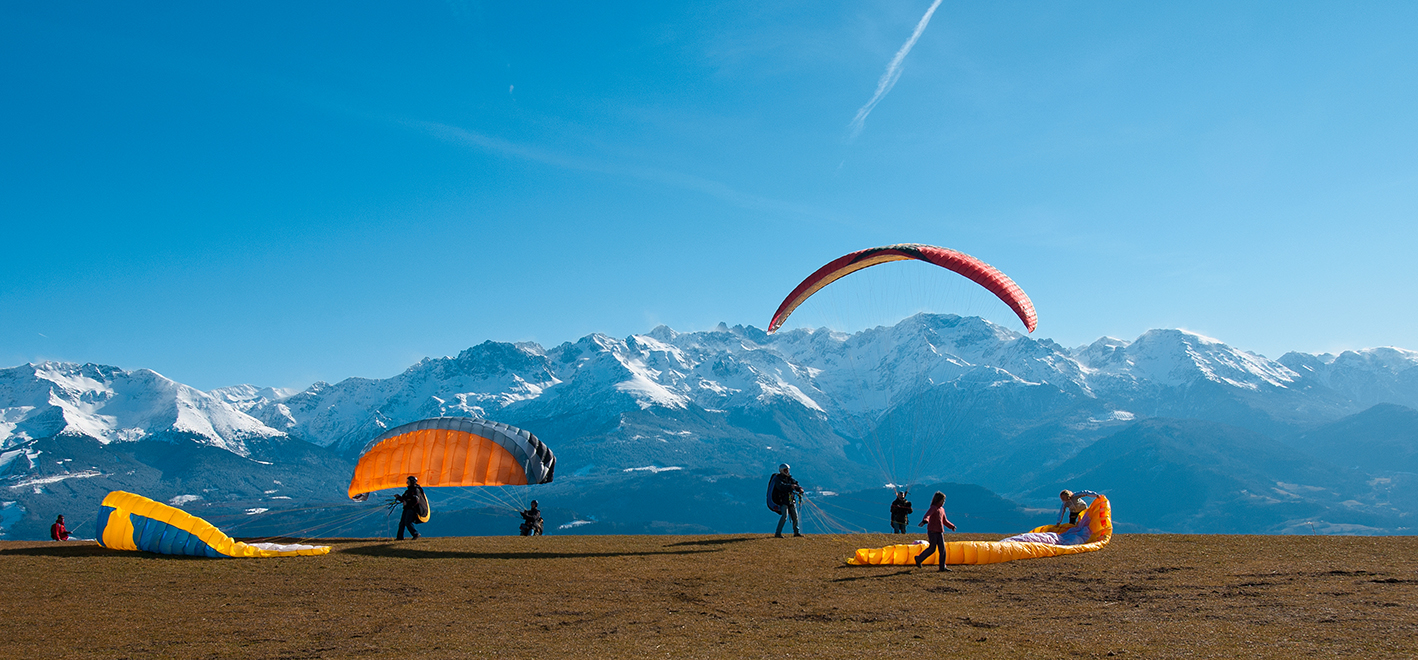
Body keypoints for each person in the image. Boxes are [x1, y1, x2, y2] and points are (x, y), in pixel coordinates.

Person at [914, 491, 957, 572]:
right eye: (942, 501)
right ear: (938, 500)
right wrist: (925, 521)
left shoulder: (942, 510)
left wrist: (952, 526)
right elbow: (928, 515)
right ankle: (919, 558)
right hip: (932, 532)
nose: (943, 502)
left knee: (942, 550)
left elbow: (944, 521)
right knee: (932, 549)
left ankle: (942, 567)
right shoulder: (933, 508)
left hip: (939, 532)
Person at [769, 464, 805, 538]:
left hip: (791, 500)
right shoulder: (778, 479)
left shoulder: (790, 478)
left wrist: (799, 489)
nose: (787, 471)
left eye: (787, 470)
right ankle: (778, 533)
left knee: (795, 516)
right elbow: (781, 486)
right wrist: (790, 486)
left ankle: (796, 532)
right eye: (785, 470)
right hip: (783, 501)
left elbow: (796, 484)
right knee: (784, 516)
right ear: (782, 471)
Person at [394, 475, 425, 540]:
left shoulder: (415, 490)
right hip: (406, 509)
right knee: (402, 523)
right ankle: (399, 538)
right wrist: (398, 497)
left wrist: (408, 503)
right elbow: (403, 499)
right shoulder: (408, 491)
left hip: (411, 509)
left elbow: (416, 500)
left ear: (412, 482)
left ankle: (415, 534)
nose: (407, 482)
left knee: (408, 522)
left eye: (408, 481)